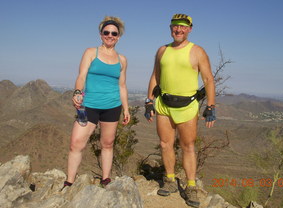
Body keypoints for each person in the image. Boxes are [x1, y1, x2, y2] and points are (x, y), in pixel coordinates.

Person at [144, 14, 216, 208]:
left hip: (187, 106)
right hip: (164, 105)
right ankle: (169, 179)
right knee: (165, 143)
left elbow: (208, 79)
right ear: (170, 28)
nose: (179, 30)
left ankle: (191, 185)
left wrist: (211, 106)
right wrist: (149, 101)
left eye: (183, 27)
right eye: (175, 26)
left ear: (190, 29)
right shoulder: (162, 51)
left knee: (188, 146)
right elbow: (155, 77)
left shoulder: (197, 51)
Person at [62, 16, 130, 189]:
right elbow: (81, 75)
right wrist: (77, 92)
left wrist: (126, 109)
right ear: (101, 35)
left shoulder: (122, 60)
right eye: (106, 32)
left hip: (112, 106)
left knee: (107, 143)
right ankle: (69, 181)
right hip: (89, 105)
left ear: (118, 37)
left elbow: (122, 86)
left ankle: (105, 179)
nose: (110, 35)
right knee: (76, 143)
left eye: (114, 33)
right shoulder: (91, 52)